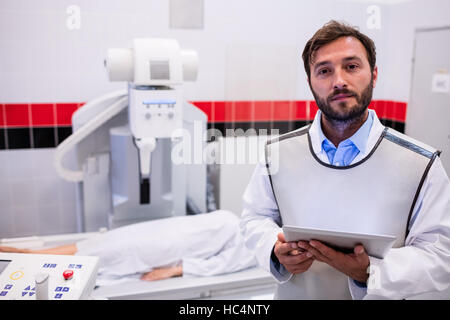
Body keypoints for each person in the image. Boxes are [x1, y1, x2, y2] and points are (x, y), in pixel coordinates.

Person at [240, 20, 450, 299]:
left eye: (351, 66)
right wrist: (274, 251)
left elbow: (440, 254)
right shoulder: (276, 153)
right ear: (310, 82)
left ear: (374, 75)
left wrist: (370, 271)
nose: (339, 80)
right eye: (324, 71)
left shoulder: (420, 164)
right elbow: (255, 218)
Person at [1, 210, 257, 284]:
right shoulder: (243, 219)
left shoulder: (256, 246)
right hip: (163, 232)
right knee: (104, 242)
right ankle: (31, 255)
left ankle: (30, 257)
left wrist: (173, 271)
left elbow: (222, 265)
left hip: (163, 247)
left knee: (110, 251)